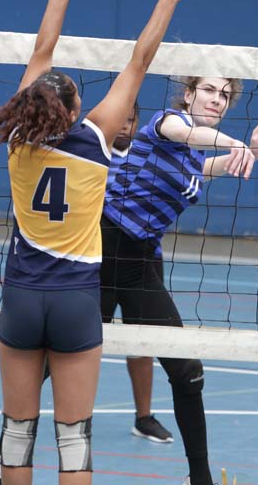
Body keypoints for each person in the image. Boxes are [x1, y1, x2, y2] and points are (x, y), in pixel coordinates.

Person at [0, 0, 216, 485]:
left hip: (21, 297)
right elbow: (140, 59)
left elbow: (41, 52)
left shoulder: (15, 140)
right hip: (77, 300)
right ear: (77, 108)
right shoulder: (96, 138)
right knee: (74, 442)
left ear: (28, 106)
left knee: (16, 437)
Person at [100, 75, 258, 485]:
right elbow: (185, 132)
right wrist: (232, 142)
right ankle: (7, 451)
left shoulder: (193, 158)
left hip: (140, 261)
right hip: (100, 251)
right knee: (62, 358)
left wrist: (253, 152)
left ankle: (200, 479)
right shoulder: (166, 122)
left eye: (225, 96)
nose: (218, 99)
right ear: (190, 93)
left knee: (187, 371)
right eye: (211, 90)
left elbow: (210, 166)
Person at [103, 103, 174, 443]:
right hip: (98, 260)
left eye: (129, 119)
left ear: (137, 124)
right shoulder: (92, 155)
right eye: (118, 118)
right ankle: (75, 417)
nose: (122, 125)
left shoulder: (148, 158)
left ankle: (143, 418)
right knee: (80, 341)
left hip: (144, 263)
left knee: (142, 340)